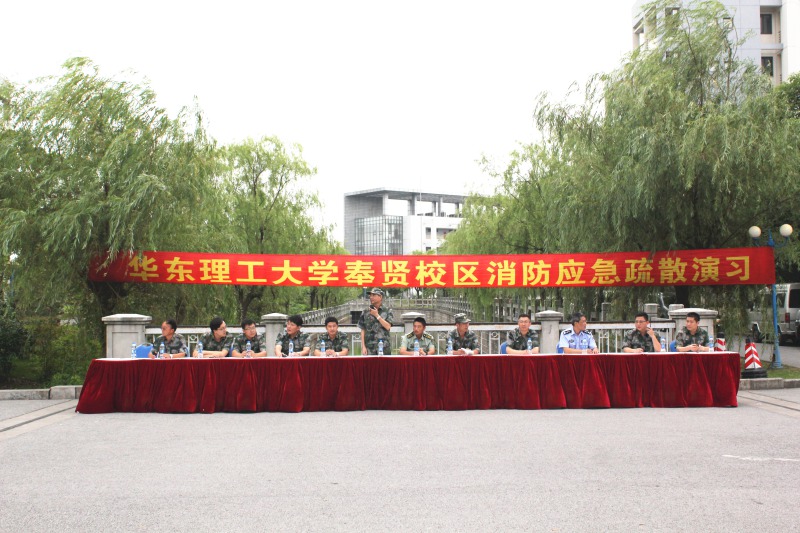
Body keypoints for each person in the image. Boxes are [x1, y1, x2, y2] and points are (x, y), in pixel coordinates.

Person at [358, 288, 393, 355]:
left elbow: (388, 326)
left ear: (380, 297)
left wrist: (377, 315)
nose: (371, 297)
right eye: (370, 295)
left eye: (374, 295)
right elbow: (363, 329)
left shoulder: (387, 311)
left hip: (384, 347)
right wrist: (363, 346)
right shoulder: (365, 312)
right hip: (370, 348)